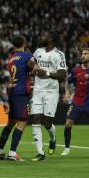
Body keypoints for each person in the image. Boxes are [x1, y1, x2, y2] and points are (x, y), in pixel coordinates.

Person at [0, 35, 35, 161]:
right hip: (21, 92)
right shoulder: (28, 55)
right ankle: (12, 153)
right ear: (24, 43)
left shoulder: (11, 58)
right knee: (22, 121)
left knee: (11, 123)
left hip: (12, 91)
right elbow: (35, 68)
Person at [61, 48, 89, 156]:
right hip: (77, 102)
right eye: (82, 54)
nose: (83, 55)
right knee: (68, 124)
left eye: (86, 54)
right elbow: (68, 81)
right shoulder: (76, 70)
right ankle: (67, 148)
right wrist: (67, 92)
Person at [30, 32, 67, 161]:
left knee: (47, 123)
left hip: (51, 91)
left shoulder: (59, 54)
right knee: (35, 118)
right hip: (37, 90)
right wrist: (33, 66)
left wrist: (44, 72)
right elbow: (31, 62)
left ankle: (52, 138)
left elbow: (63, 75)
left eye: (45, 35)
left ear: (51, 39)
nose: (42, 37)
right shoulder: (38, 51)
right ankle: (40, 153)